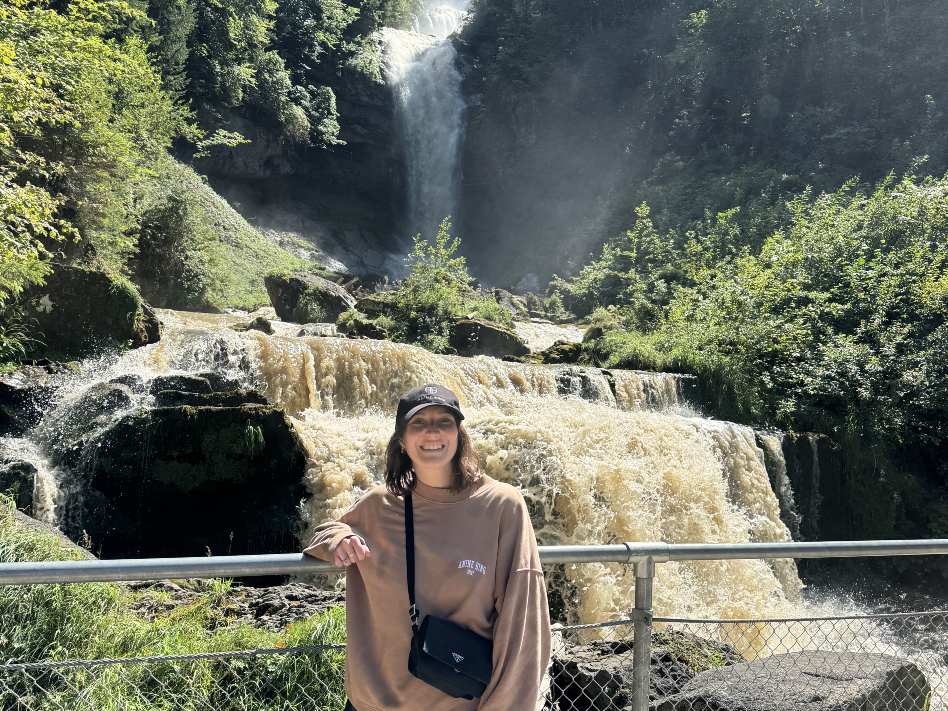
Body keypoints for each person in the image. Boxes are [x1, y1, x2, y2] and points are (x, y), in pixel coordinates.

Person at [304, 383, 551, 711]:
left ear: (459, 435)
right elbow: (329, 531)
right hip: (373, 703)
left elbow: (524, 623)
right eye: (418, 423)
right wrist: (339, 539)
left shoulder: (502, 505)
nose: (432, 433)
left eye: (444, 422)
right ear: (402, 442)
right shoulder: (381, 505)